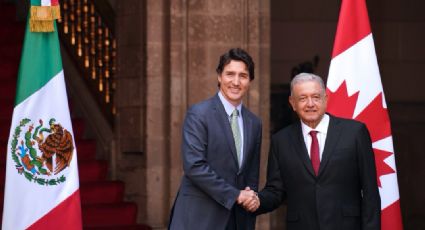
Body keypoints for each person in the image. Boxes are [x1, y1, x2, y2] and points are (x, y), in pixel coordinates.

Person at [246, 73, 381, 230]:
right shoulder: (281, 141)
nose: (310, 104)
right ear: (293, 103)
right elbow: (276, 191)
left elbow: (370, 192)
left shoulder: (355, 132)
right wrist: (257, 200)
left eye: (316, 97)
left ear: (325, 99)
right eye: (303, 98)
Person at [168, 48, 262, 230]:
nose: (236, 82)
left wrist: (250, 198)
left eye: (243, 75)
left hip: (237, 220)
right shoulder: (199, 114)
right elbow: (194, 167)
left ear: (250, 81)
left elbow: (251, 173)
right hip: (199, 219)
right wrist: (236, 195)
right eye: (230, 74)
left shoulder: (254, 122)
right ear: (219, 76)